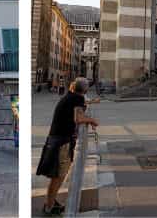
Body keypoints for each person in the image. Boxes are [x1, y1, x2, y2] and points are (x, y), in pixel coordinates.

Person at [36, 77, 99, 216]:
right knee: (58, 177)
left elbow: (76, 110)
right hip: (62, 143)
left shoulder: (70, 97)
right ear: (85, 90)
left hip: (56, 140)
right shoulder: (77, 99)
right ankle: (49, 207)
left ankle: (51, 202)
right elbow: (78, 118)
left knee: (57, 176)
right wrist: (92, 120)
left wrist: (91, 102)